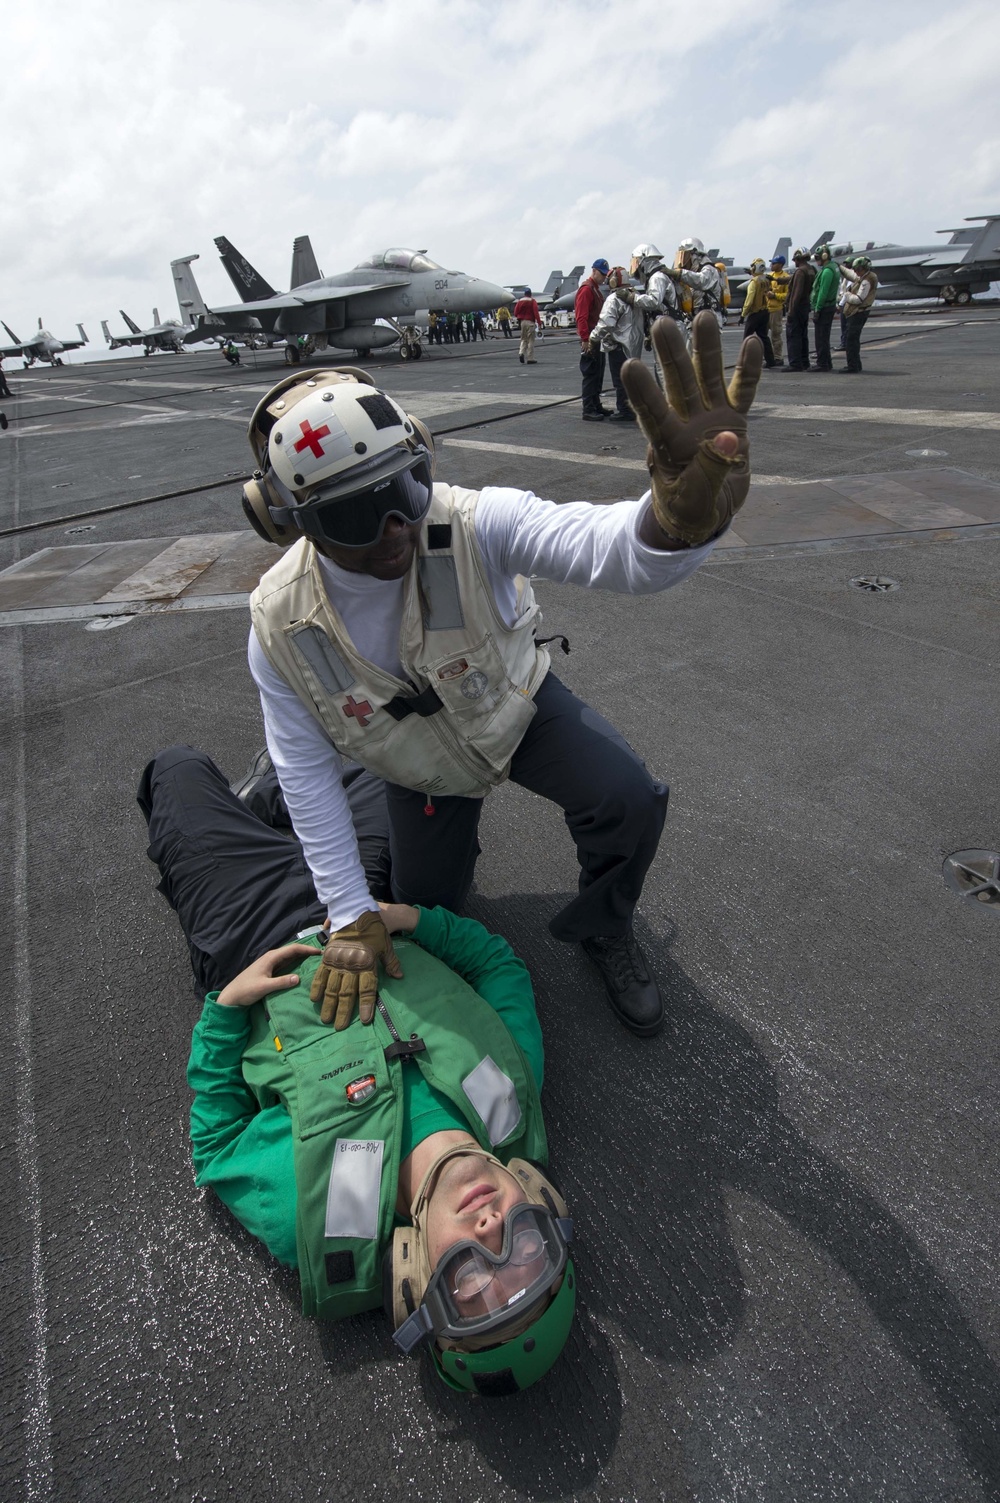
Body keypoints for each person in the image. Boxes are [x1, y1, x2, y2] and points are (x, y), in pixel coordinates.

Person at [238, 316, 763, 1039]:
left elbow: (599, 544)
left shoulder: (468, 523)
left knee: (629, 799)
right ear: (294, 521)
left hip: (516, 707)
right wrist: (350, 913)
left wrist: (674, 524)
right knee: (429, 911)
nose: (397, 526)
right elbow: (302, 770)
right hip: (415, 768)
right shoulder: (281, 624)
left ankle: (604, 923)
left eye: (405, 486)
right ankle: (444, 889)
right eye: (362, 512)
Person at [137, 745, 575, 1396]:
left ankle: (266, 810)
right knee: (385, 754)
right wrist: (417, 921)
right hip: (362, 900)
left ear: (412, 1274)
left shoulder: (324, 1214)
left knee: (174, 770)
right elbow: (499, 967)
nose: (491, 1233)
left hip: (253, 928)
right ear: (542, 1208)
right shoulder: (512, 1094)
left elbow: (218, 1142)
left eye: (473, 1280)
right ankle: (279, 805)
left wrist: (226, 1008)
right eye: (525, 1251)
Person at [589, 266, 641, 421]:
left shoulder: (614, 298)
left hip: (618, 345)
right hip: (633, 345)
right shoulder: (634, 295)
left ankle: (625, 410)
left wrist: (593, 338)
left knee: (620, 380)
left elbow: (606, 323)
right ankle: (632, 408)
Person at [575, 258, 610, 421]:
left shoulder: (595, 289)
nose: (604, 278)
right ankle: (588, 409)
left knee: (598, 373)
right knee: (590, 374)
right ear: (594, 271)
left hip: (596, 338)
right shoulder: (587, 290)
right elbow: (581, 317)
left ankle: (595, 405)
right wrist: (585, 339)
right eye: (602, 274)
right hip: (590, 338)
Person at [838, 256, 879, 374]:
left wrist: (846, 295)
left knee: (851, 340)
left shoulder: (867, 281)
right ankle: (856, 364)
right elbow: (851, 274)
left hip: (859, 312)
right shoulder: (864, 276)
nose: (856, 271)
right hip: (859, 312)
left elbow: (859, 299)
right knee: (853, 340)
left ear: (864, 268)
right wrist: (839, 266)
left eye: (858, 269)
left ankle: (853, 366)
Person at [674, 238, 725, 330]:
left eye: (685, 256)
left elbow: (701, 281)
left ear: (695, 255)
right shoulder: (694, 273)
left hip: (709, 319)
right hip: (697, 319)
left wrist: (680, 274)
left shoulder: (709, 270)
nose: (682, 261)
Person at [783, 248, 814, 372]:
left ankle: (795, 363)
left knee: (793, 335)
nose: (794, 262)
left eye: (795, 259)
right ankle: (804, 361)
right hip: (805, 307)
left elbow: (796, 293)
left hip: (797, 308)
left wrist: (791, 311)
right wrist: (776, 280)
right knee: (803, 335)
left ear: (799, 258)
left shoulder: (800, 272)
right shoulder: (811, 270)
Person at [809, 245, 840, 373]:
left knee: (821, 337)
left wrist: (817, 309)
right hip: (829, 306)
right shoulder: (834, 268)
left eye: (817, 257)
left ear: (824, 256)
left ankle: (822, 363)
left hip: (825, 308)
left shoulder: (827, 271)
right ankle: (827, 362)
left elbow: (823, 292)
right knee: (824, 337)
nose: (816, 260)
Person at [741, 259, 775, 367]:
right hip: (765, 312)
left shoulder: (754, 282)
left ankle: (745, 361)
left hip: (755, 313)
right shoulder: (766, 280)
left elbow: (749, 300)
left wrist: (743, 314)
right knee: (764, 337)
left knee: (747, 338)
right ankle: (770, 361)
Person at [765, 255, 790, 365]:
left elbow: (787, 295)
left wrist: (775, 295)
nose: (771, 265)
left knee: (776, 334)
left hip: (776, 309)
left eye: (774, 263)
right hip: (765, 309)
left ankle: (778, 357)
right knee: (764, 335)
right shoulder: (769, 276)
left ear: (780, 265)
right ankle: (769, 357)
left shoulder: (785, 278)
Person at [513, 289, 543, 363]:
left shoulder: (520, 301)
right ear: (530, 294)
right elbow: (536, 312)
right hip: (530, 322)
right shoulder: (532, 301)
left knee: (523, 339)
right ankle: (530, 358)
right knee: (531, 340)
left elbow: (515, 312)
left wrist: (520, 316)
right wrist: (539, 322)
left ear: (524, 294)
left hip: (522, 322)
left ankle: (521, 353)